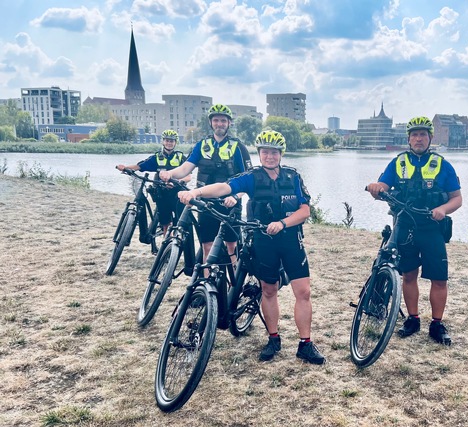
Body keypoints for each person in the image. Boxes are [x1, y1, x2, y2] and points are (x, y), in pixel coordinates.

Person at [177, 130, 325, 365]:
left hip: (291, 240)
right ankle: (273, 338)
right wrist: (196, 191)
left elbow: (305, 211)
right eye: (265, 152)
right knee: (268, 290)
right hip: (263, 241)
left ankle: (305, 344)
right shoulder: (252, 177)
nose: (269, 156)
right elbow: (224, 187)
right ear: (259, 153)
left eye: (274, 152)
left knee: (304, 292)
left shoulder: (293, 177)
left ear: (280, 154)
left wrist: (283, 223)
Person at [366, 116, 462, 346]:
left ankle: (437, 324)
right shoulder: (398, 163)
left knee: (439, 278)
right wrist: (376, 188)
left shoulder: (443, 165)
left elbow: (457, 199)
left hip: (432, 228)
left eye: (423, 135)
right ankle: (413, 319)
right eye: (415, 135)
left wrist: (443, 209)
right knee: (408, 275)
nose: (419, 139)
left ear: (430, 138)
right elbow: (382, 188)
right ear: (408, 139)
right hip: (405, 226)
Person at [159, 104, 252, 263]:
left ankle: (234, 284)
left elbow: (248, 180)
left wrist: (236, 197)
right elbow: (185, 168)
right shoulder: (202, 145)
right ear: (211, 123)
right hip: (205, 202)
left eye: (223, 120)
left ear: (229, 123)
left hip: (230, 203)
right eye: (216, 120)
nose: (219, 124)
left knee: (232, 246)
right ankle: (206, 282)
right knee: (206, 245)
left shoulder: (238, 147)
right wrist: (170, 173)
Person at [117, 129, 190, 235]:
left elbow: (188, 177)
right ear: (163, 142)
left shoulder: (181, 158)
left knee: (180, 220)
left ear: (175, 143)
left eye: (172, 141)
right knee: (165, 221)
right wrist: (125, 168)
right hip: (162, 191)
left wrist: (176, 182)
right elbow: (139, 166)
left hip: (176, 192)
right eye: (167, 140)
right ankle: (165, 242)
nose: (169, 143)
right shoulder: (156, 158)